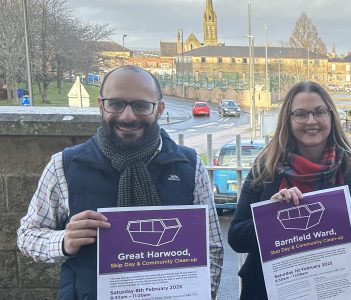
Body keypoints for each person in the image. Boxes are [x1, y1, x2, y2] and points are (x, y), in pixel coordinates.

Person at [16, 65, 224, 299]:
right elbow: (27, 236)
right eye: (116, 104)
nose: (127, 116)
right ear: (101, 106)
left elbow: (212, 248)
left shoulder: (189, 165)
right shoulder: (64, 165)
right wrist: (63, 240)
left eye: (141, 105)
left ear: (159, 109)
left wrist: (203, 294)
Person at [228, 81, 351, 300]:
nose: (311, 121)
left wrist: (349, 292)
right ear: (288, 119)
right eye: (301, 114)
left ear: (331, 116)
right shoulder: (265, 169)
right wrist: (270, 217)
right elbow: (236, 237)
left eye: (319, 112)